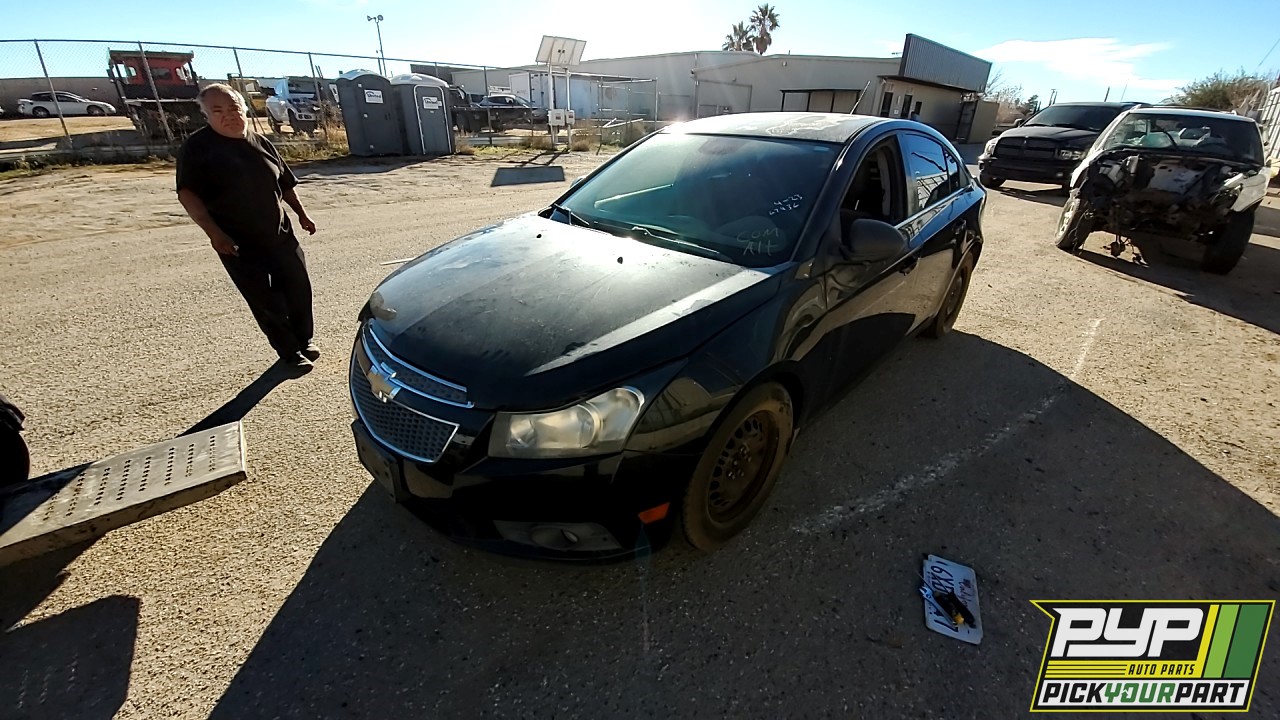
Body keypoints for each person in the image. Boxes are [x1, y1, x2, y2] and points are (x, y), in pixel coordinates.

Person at [175, 83, 320, 370]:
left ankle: (305, 340)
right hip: (237, 243)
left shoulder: (260, 142)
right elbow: (187, 194)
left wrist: (303, 215)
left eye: (233, 108)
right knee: (265, 300)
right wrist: (214, 233)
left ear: (243, 109)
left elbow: (285, 184)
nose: (228, 115)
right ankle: (289, 352)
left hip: (279, 235)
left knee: (298, 289)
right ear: (206, 115)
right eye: (218, 111)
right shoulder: (197, 148)